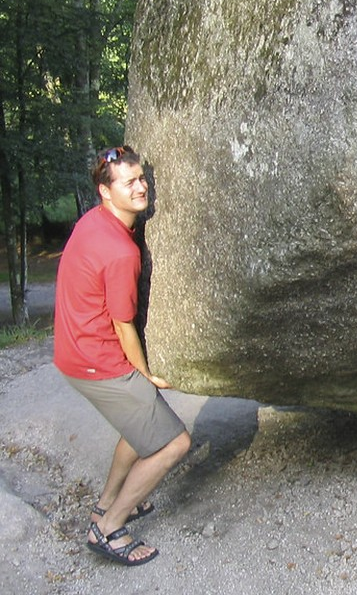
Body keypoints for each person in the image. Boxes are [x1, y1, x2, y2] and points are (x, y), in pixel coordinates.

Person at [53, 145, 191, 566]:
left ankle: (107, 503)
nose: (140, 186)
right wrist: (145, 374)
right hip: (99, 360)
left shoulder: (91, 224)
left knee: (137, 427)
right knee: (174, 443)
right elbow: (123, 325)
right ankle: (108, 527)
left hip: (74, 353)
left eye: (141, 178)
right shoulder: (121, 251)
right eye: (128, 182)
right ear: (104, 191)